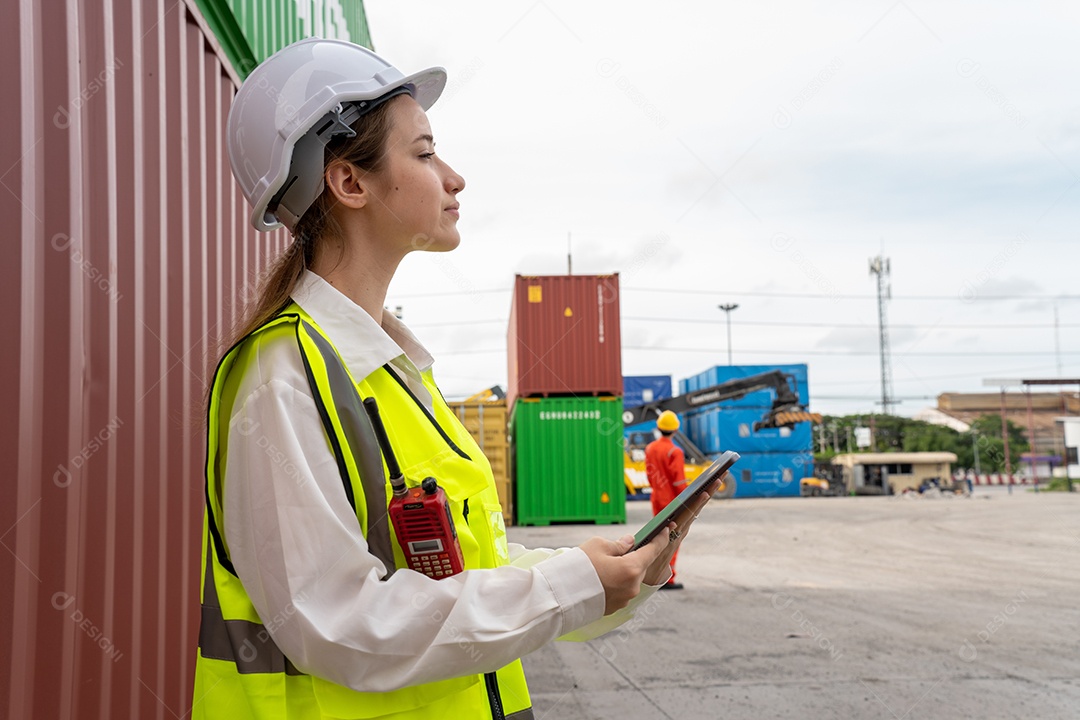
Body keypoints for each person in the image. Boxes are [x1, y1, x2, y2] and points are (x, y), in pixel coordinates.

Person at [192, 38, 720, 719]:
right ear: (349, 183)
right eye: (423, 153)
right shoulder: (281, 380)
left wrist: (597, 570)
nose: (454, 177)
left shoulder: (393, 371)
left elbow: (467, 575)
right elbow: (340, 623)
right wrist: (567, 587)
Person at [644, 411, 689, 590]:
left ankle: (654, 575)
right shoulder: (674, 451)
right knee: (673, 539)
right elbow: (679, 482)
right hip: (672, 501)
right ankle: (667, 578)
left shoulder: (650, 448)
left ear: (659, 428)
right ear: (676, 430)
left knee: (659, 538)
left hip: (656, 498)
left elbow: (649, 474)